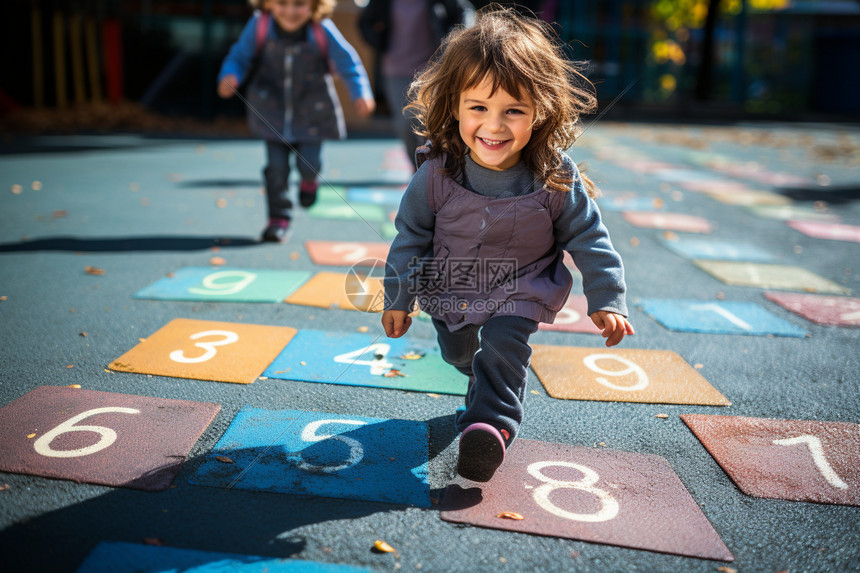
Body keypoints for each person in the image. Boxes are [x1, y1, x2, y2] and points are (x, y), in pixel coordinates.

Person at [381, 6, 634, 483]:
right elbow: (411, 237)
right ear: (453, 106)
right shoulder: (435, 173)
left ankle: (489, 426)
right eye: (478, 108)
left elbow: (589, 237)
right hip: (452, 287)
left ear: (540, 113)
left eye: (512, 111)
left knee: (502, 345)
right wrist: (399, 295)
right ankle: (475, 379)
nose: (494, 127)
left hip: (521, 287)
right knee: (461, 354)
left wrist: (607, 297)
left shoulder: (556, 178)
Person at [218, 0, 375, 242]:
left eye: (299, 4)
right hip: (271, 112)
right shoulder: (260, 25)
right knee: (276, 169)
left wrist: (361, 92)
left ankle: (309, 182)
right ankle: (278, 219)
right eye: (282, 3)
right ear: (268, 3)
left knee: (309, 164)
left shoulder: (321, 28)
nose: (290, 11)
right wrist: (230, 75)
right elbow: (240, 55)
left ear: (314, 5)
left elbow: (347, 62)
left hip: (313, 112)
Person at [358, 0, 472, 167]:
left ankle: (433, 170)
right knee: (405, 125)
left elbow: (464, 13)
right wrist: (379, 42)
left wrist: (453, 42)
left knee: (429, 125)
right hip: (395, 69)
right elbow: (364, 23)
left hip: (432, 70)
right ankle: (419, 169)